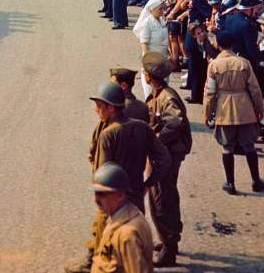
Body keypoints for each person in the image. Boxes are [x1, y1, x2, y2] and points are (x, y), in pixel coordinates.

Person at [67, 82, 170, 273]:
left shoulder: (108, 134)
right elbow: (164, 160)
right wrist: (148, 183)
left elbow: (102, 173)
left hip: (113, 200)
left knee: (105, 245)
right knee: (132, 249)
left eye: (100, 106)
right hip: (136, 199)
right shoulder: (142, 128)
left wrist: (100, 196)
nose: (96, 110)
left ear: (111, 108)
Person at [142, 52, 192, 267]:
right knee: (161, 196)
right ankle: (166, 239)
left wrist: (158, 140)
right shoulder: (158, 93)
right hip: (164, 154)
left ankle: (169, 247)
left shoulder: (166, 97)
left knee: (162, 199)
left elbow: (175, 122)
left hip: (167, 155)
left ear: (149, 75)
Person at [204, 30, 264, 195]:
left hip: (224, 109)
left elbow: (210, 93)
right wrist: (259, 109)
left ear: (218, 45)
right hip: (244, 107)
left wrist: (207, 113)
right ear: (233, 44)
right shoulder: (243, 63)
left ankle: (230, 183)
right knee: (249, 146)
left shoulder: (214, 66)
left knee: (227, 147)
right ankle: (256, 181)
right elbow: (254, 89)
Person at [89, 161, 155, 273]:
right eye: (96, 193)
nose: (96, 200)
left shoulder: (127, 235)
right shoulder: (121, 215)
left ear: (120, 195)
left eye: (103, 194)